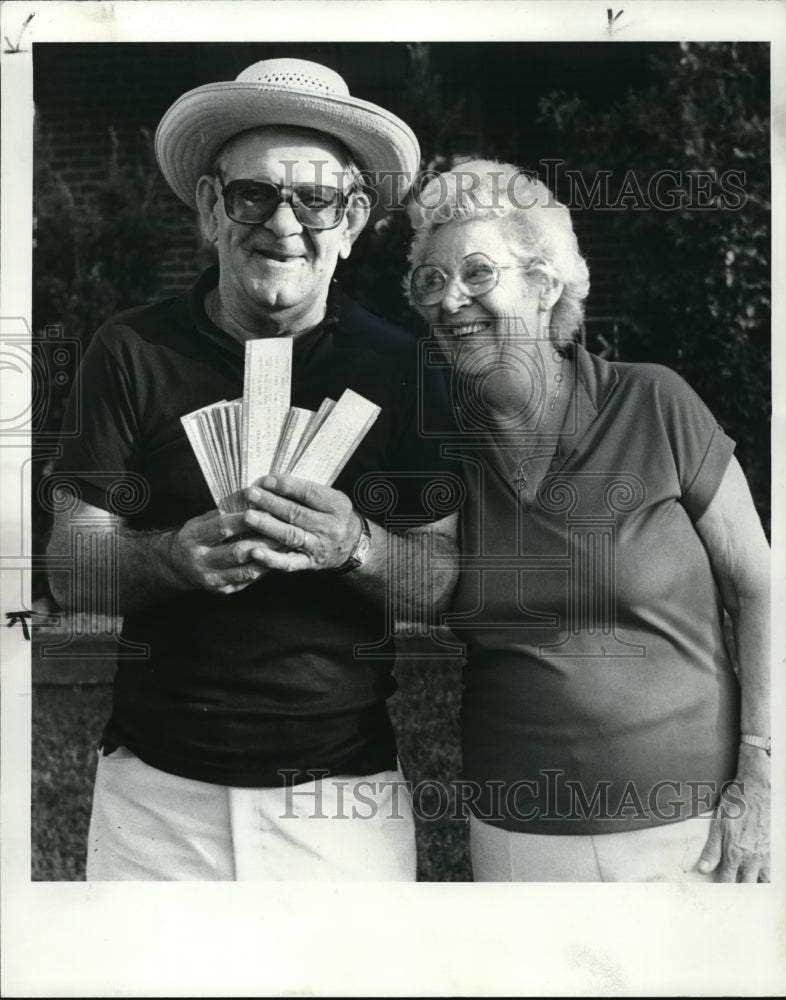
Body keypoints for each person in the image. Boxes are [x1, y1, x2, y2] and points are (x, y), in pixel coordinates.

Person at [46, 58, 460, 881]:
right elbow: (69, 564)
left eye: (315, 198)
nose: (284, 224)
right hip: (155, 796)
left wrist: (359, 547)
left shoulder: (404, 368)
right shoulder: (130, 351)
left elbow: (445, 579)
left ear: (352, 219)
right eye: (254, 194)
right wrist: (169, 557)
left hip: (341, 793)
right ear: (210, 207)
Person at [405, 159, 770, 882]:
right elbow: (414, 588)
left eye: (477, 274)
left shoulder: (654, 403)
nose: (451, 303)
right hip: (514, 831)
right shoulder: (442, 450)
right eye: (431, 282)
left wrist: (762, 774)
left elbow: (760, 587)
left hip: (693, 835)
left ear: (543, 286)